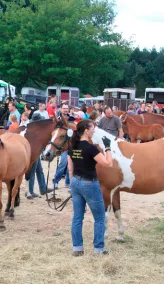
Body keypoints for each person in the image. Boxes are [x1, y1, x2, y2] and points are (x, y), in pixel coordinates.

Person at [68, 120, 112, 256]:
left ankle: (77, 248)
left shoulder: (72, 146)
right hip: (89, 183)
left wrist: (72, 185)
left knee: (77, 217)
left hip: (75, 181)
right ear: (86, 130)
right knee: (99, 218)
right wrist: (108, 148)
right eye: (93, 128)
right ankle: (99, 249)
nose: (94, 131)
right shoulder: (91, 148)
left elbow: (70, 168)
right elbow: (108, 163)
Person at [27, 108, 53, 199]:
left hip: (36, 152)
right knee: (32, 172)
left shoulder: (32, 128)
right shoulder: (33, 131)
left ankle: (43, 188)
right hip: (33, 152)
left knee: (39, 170)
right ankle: (30, 191)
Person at [52, 103, 75, 189]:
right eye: (64, 108)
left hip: (71, 143)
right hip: (62, 144)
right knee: (63, 163)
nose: (65, 110)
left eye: (67, 108)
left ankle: (68, 182)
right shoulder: (58, 119)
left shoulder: (72, 118)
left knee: (71, 164)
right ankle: (55, 180)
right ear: (61, 109)